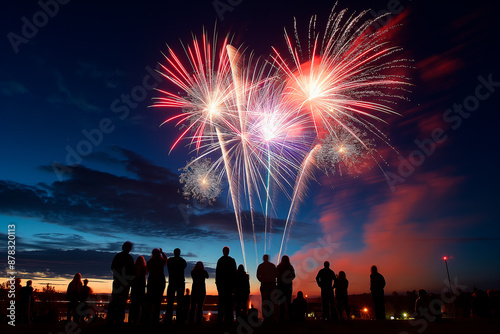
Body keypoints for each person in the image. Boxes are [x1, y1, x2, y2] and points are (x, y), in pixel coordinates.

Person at [107, 241, 135, 325]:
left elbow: (113, 268)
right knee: (122, 302)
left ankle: (111, 319)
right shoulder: (129, 258)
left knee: (114, 301)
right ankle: (119, 319)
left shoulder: (118, 256)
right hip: (125, 283)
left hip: (118, 282)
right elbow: (132, 272)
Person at [216, 246, 237, 326]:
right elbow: (234, 274)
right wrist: (234, 285)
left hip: (222, 285)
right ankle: (229, 320)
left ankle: (220, 320)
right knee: (229, 303)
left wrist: (218, 284)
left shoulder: (220, 260)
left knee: (221, 303)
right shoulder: (231, 261)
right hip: (229, 285)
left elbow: (217, 273)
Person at [165, 248, 187, 324]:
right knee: (180, 303)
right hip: (180, 283)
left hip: (172, 282)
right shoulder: (182, 261)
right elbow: (184, 266)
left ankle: (168, 319)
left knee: (170, 302)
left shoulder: (170, 261)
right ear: (179, 253)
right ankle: (179, 320)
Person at [146, 248, 167, 325]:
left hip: (151, 282)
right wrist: (162, 252)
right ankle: (155, 319)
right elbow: (165, 259)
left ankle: (148, 318)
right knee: (158, 302)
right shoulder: (161, 261)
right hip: (160, 282)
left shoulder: (150, 262)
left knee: (150, 302)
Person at [257, 254, 277, 322]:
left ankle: (265, 317)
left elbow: (257, 275)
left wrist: (262, 280)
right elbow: (276, 274)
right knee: (271, 301)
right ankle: (271, 317)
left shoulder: (260, 266)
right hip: (272, 284)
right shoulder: (272, 266)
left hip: (264, 284)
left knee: (265, 301)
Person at [277, 255, 295, 322]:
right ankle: (290, 318)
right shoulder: (290, 267)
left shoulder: (279, 267)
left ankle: (281, 318)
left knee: (281, 303)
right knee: (288, 302)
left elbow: (276, 275)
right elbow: (293, 275)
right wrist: (288, 280)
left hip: (280, 286)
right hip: (288, 286)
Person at [130, 256, 147, 324]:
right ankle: (137, 319)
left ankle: (130, 319)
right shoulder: (144, 269)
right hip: (141, 288)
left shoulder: (133, 268)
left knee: (133, 304)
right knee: (139, 305)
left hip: (134, 287)